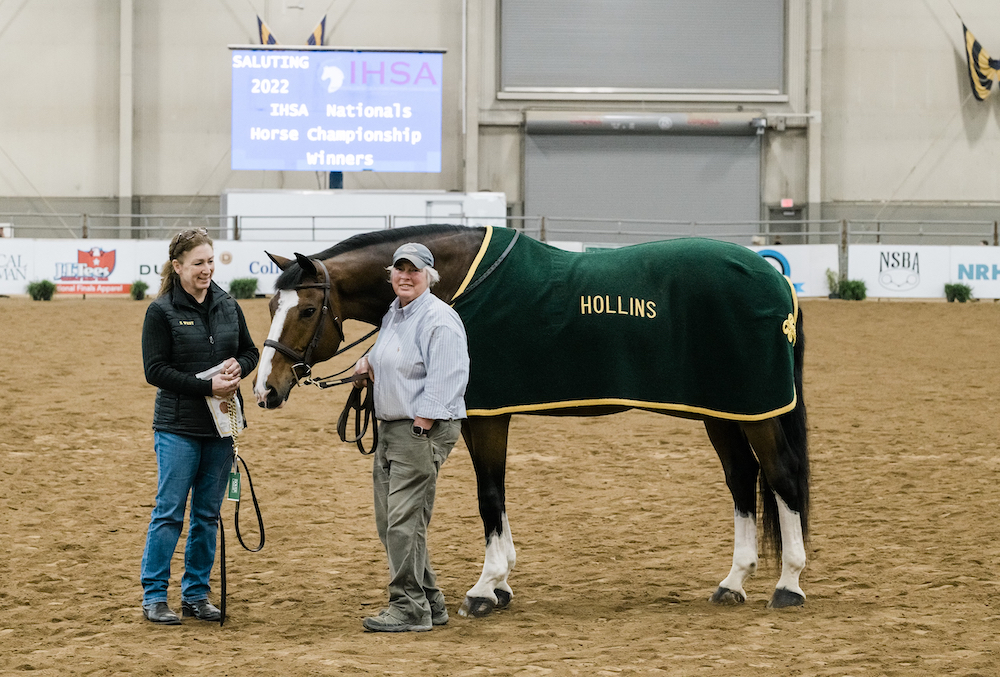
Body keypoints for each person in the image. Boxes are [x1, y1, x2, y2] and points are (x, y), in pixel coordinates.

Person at [139, 228, 259, 625]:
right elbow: (155, 371)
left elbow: (250, 350)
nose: (207, 269)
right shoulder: (161, 311)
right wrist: (206, 385)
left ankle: (195, 594)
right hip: (177, 427)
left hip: (222, 426)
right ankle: (155, 596)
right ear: (177, 267)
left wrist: (239, 366)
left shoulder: (228, 304)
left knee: (207, 515)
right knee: (170, 512)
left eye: (210, 261)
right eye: (198, 263)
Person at [353, 242, 470, 632]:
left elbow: (449, 375)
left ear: (429, 276)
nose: (405, 276)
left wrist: (422, 424)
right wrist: (367, 361)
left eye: (414, 270)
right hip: (394, 428)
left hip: (420, 429)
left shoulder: (440, 318)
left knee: (403, 523)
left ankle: (408, 608)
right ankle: (429, 602)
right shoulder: (396, 313)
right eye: (399, 269)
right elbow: (395, 354)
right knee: (395, 523)